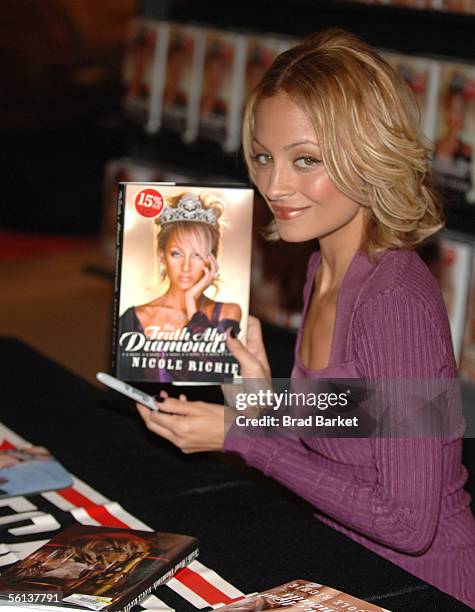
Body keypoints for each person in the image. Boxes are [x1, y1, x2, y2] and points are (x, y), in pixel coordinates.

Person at [136, 29, 475, 607]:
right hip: (345, 566)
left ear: (368, 156)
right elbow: (354, 428)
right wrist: (261, 404)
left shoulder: (396, 303)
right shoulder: (324, 265)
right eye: (265, 157)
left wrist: (241, 436)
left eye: (306, 160)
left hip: (423, 587)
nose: (273, 184)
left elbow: (408, 522)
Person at [118, 192, 241, 382]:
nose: (186, 266)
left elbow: (220, 377)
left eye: (197, 255)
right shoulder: (134, 319)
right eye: (176, 254)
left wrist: (191, 303)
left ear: (212, 260)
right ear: (162, 257)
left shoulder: (228, 313)